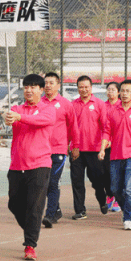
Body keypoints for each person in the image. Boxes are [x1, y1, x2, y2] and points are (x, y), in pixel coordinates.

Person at [5, 74, 56, 261]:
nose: (29, 90)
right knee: (14, 203)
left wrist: (20, 117)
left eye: (33, 87)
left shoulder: (48, 109)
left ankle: (30, 245)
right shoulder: (17, 108)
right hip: (17, 165)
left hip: (40, 165)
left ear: (41, 90)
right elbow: (10, 118)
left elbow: (40, 121)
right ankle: (31, 227)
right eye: (26, 87)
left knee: (35, 206)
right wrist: (8, 118)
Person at [98, 80, 131, 230]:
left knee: (130, 189)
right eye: (123, 91)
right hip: (116, 155)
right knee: (115, 188)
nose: (125, 94)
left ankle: (128, 218)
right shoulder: (113, 112)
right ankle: (126, 208)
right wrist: (102, 149)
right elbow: (106, 132)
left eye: (128, 91)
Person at [41, 72, 79, 228]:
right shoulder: (39, 103)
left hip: (59, 150)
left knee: (53, 182)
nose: (48, 86)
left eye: (51, 83)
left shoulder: (65, 104)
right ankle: (56, 210)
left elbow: (73, 126)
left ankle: (49, 215)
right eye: (46, 83)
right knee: (43, 183)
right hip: (41, 150)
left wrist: (75, 146)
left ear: (58, 85)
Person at [70, 75, 108, 220]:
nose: (84, 89)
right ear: (77, 88)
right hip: (77, 150)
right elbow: (69, 127)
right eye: (81, 87)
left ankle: (102, 199)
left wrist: (104, 145)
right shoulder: (73, 105)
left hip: (94, 150)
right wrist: (73, 146)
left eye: (86, 87)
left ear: (91, 88)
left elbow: (106, 127)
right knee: (77, 181)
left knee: (97, 180)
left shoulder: (99, 104)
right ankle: (80, 210)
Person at [103, 82, 122, 212]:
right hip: (105, 145)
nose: (110, 92)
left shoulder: (122, 106)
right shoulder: (102, 106)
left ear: (118, 92)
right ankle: (109, 195)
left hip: (119, 145)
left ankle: (118, 199)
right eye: (108, 89)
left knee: (117, 173)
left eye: (113, 90)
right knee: (104, 172)